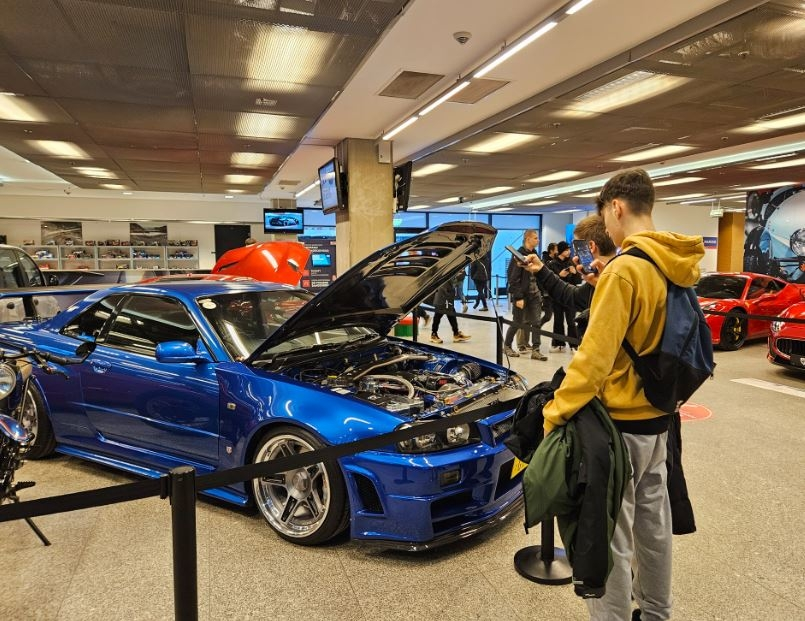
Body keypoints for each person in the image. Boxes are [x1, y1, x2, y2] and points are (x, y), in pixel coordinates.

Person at [541, 168, 705, 621]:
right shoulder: (676, 263)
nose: (606, 228)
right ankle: (657, 612)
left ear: (616, 207)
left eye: (605, 216)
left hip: (619, 430)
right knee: (654, 525)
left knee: (609, 534)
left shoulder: (625, 270)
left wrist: (555, 412)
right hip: (660, 420)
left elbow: (593, 360)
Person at [523, 215, 617, 340]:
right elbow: (572, 296)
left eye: (577, 248)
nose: (575, 255)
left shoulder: (617, 280)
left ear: (591, 246)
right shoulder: (600, 280)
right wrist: (541, 269)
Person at [503, 229, 547, 360]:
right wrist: (518, 297)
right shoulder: (518, 255)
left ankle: (536, 350)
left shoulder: (535, 254)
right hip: (523, 295)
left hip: (535, 294)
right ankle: (507, 346)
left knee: (536, 322)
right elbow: (512, 278)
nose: (538, 240)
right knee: (517, 322)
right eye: (535, 238)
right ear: (528, 239)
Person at [548, 241, 580, 352]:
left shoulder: (571, 263)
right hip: (557, 296)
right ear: (561, 251)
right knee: (558, 320)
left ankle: (574, 344)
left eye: (569, 250)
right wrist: (559, 275)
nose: (569, 252)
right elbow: (550, 281)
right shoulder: (552, 264)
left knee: (571, 321)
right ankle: (558, 343)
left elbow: (578, 281)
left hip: (570, 295)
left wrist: (575, 273)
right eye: (566, 250)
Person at [430, 276, 470, 344]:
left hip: (447, 298)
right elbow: (444, 287)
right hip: (443, 298)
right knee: (438, 316)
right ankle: (434, 335)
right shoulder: (446, 275)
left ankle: (456, 334)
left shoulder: (452, 276)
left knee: (452, 315)